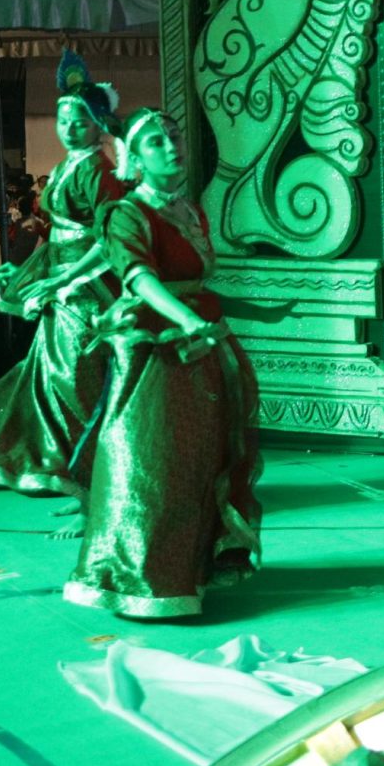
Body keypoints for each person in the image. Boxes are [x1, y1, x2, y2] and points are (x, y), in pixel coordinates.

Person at [64, 108, 262, 618]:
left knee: (205, 457)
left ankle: (196, 566)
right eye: (155, 142)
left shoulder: (190, 210)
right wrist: (187, 320)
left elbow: (195, 280)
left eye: (174, 137)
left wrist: (227, 316)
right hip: (157, 349)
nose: (171, 147)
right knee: (155, 461)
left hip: (204, 341)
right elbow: (139, 279)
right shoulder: (126, 214)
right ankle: (140, 576)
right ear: (133, 158)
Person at [0, 53, 127, 497]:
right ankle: (76, 477)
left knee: (78, 382)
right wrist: (34, 275)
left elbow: (110, 239)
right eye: (63, 121)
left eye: (79, 122)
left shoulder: (99, 171)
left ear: (98, 124)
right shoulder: (69, 165)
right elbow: (60, 236)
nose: (68, 129)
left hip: (88, 291)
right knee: (54, 379)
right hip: (62, 283)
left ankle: (96, 483)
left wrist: (63, 281)